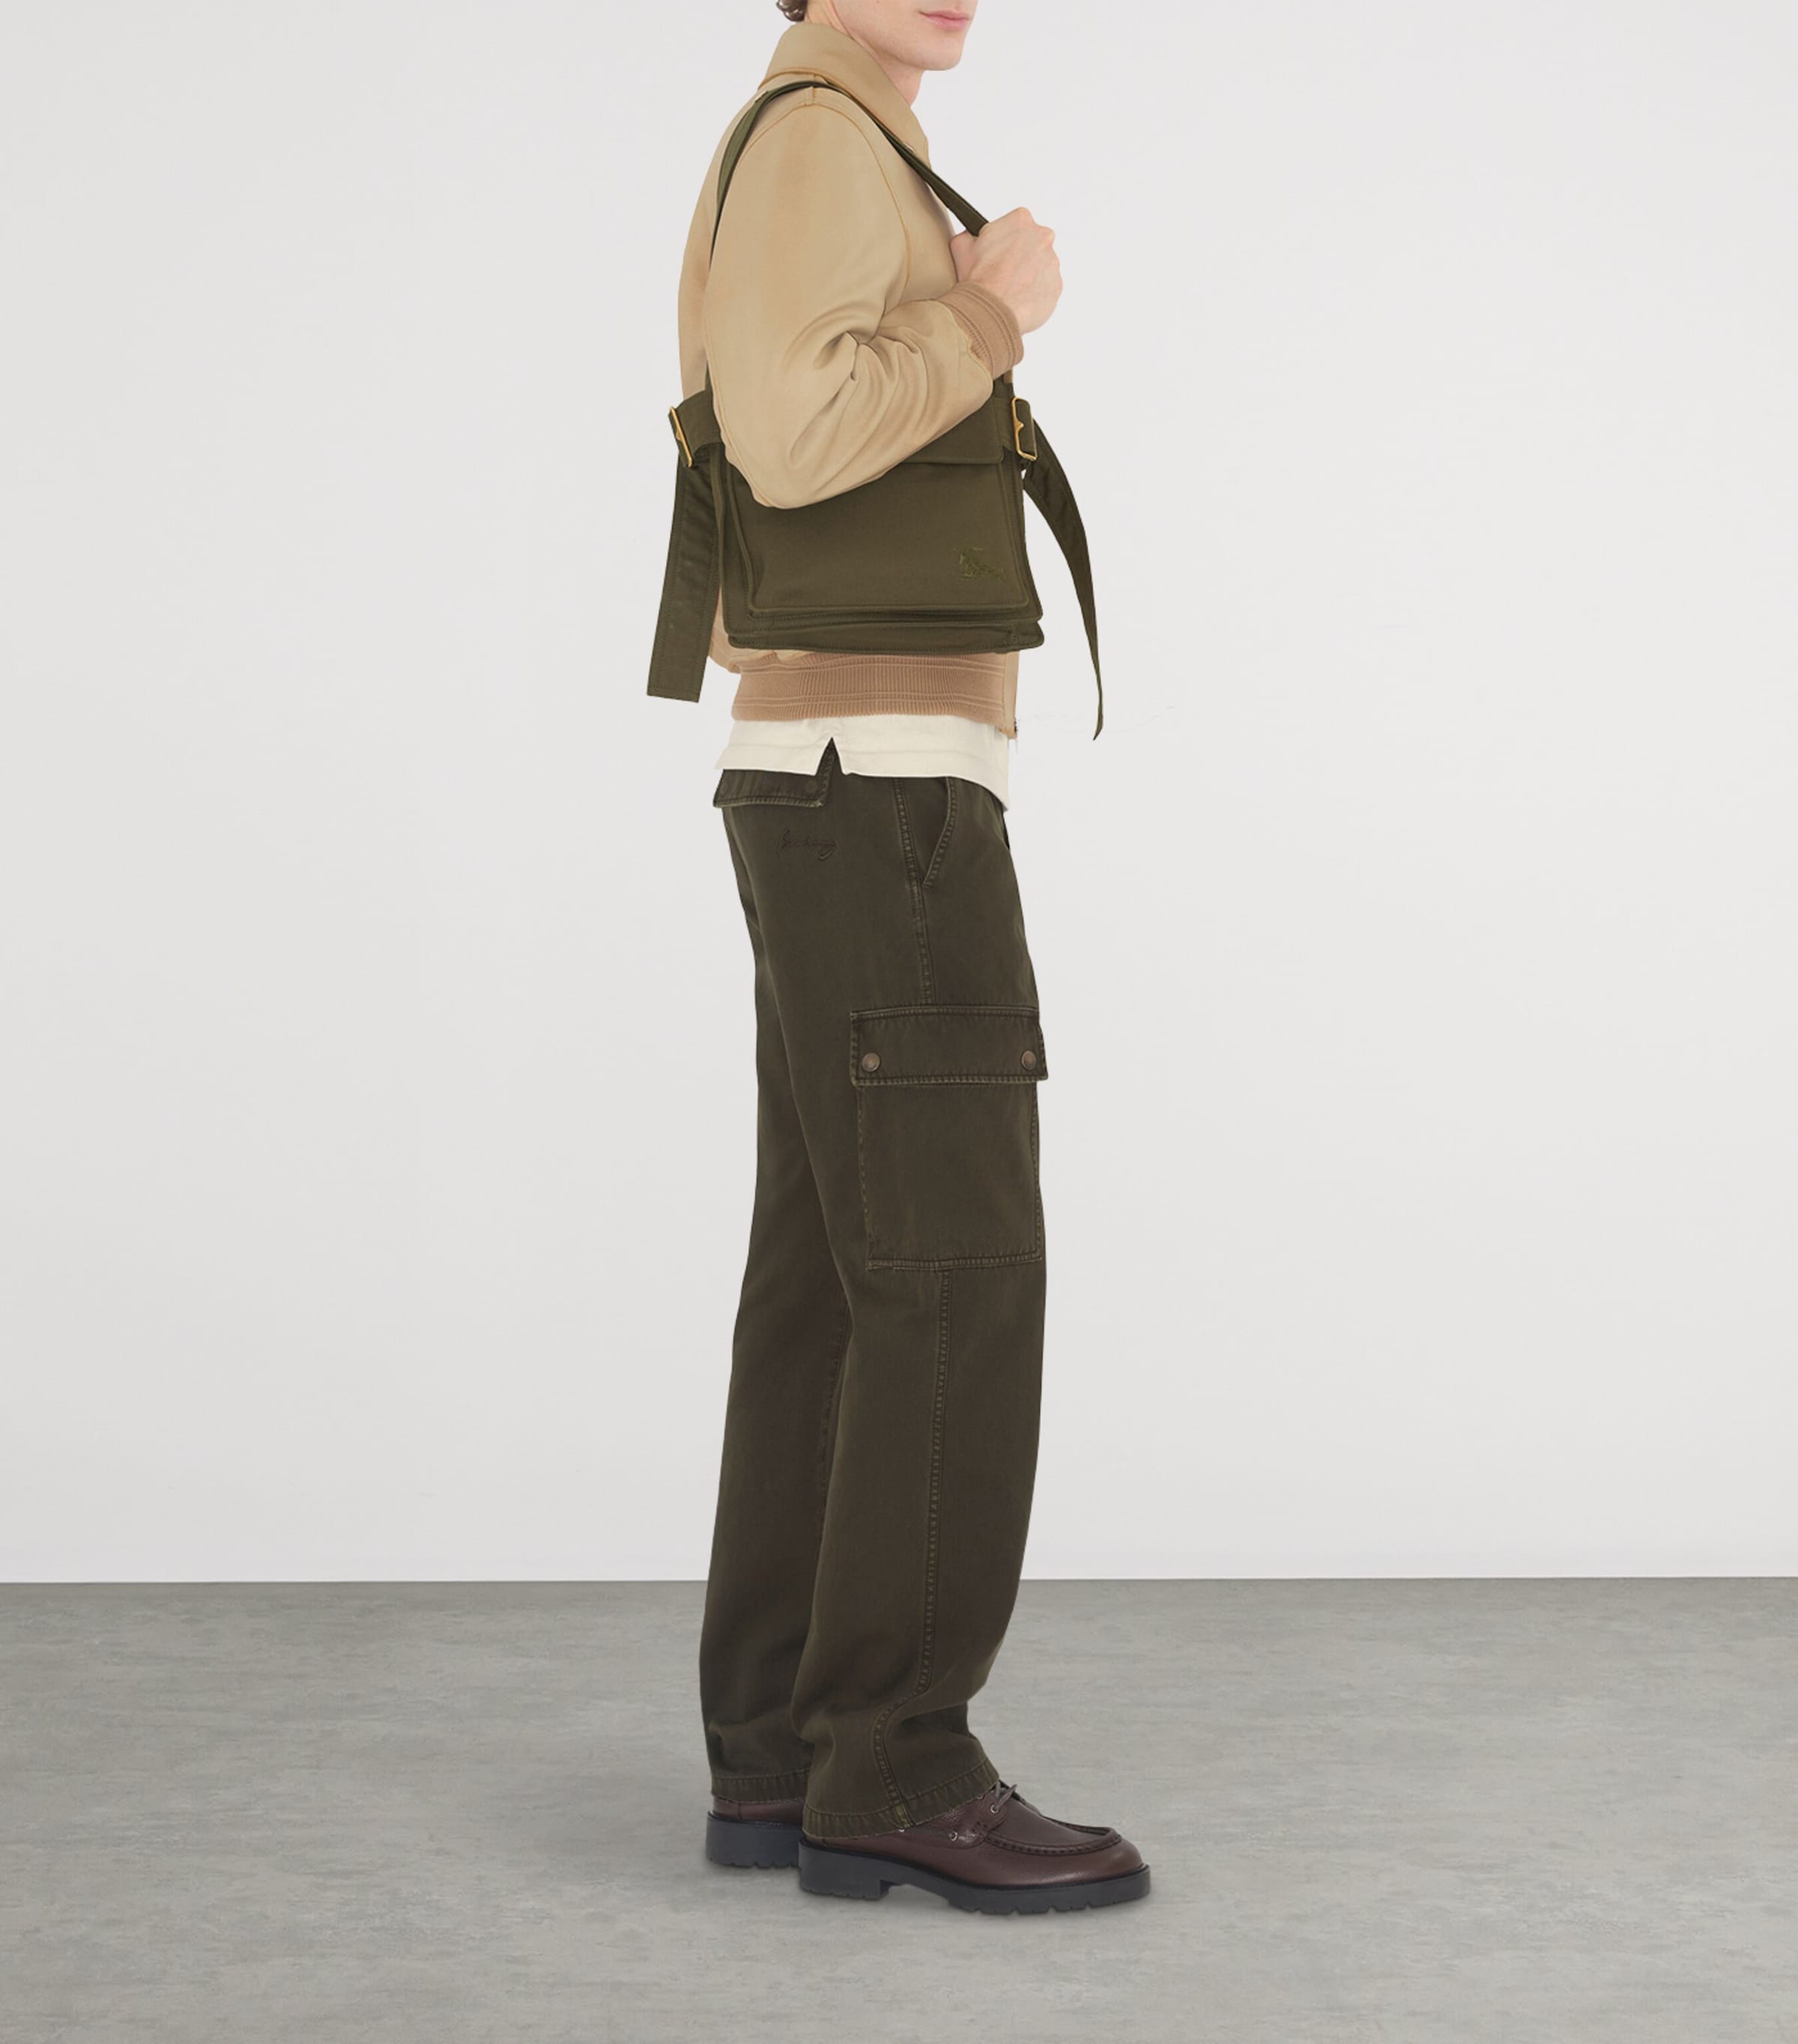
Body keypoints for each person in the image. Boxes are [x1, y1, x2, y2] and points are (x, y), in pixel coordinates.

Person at [668, 0, 1148, 1914]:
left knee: (839, 1284)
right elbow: (791, 436)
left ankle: (786, 1759)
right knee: (953, 1276)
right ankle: (899, 1763)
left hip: (835, 781)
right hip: (879, 790)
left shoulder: (840, 135)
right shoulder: (816, 133)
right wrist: (988, 315)